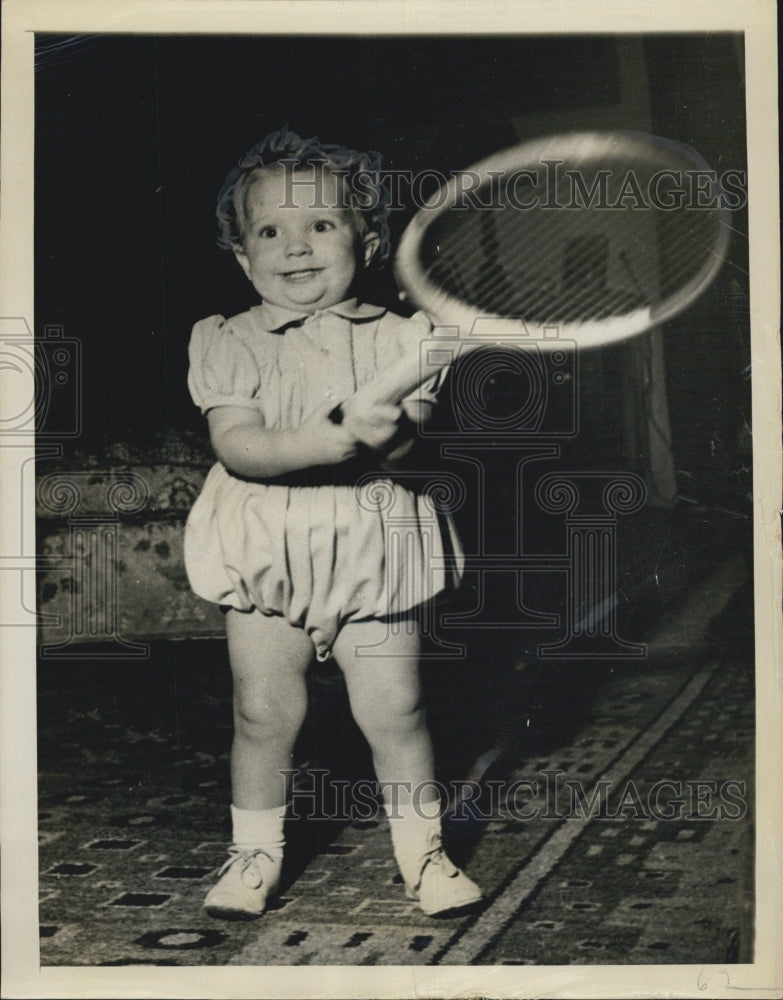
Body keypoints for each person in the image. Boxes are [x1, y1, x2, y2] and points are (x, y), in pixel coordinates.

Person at [184, 127, 482, 920]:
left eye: (320, 225)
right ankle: (254, 854)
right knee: (262, 711)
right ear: (244, 256)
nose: (295, 246)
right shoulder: (228, 340)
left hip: (373, 549)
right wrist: (323, 439)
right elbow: (238, 446)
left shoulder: (404, 339)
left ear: (369, 239)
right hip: (265, 552)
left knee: (396, 708)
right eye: (269, 231)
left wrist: (390, 435)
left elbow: (412, 453)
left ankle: (423, 855)